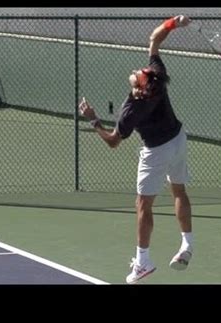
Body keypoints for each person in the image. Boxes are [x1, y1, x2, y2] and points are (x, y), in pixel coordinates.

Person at [78, 15, 193, 284]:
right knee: (179, 190)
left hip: (157, 151)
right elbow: (154, 40)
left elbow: (114, 141)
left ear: (140, 89)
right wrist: (173, 22)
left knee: (143, 204)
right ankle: (188, 244)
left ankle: (143, 262)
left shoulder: (131, 110)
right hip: (179, 139)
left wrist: (93, 119)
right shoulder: (157, 77)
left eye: (138, 75)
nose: (138, 71)